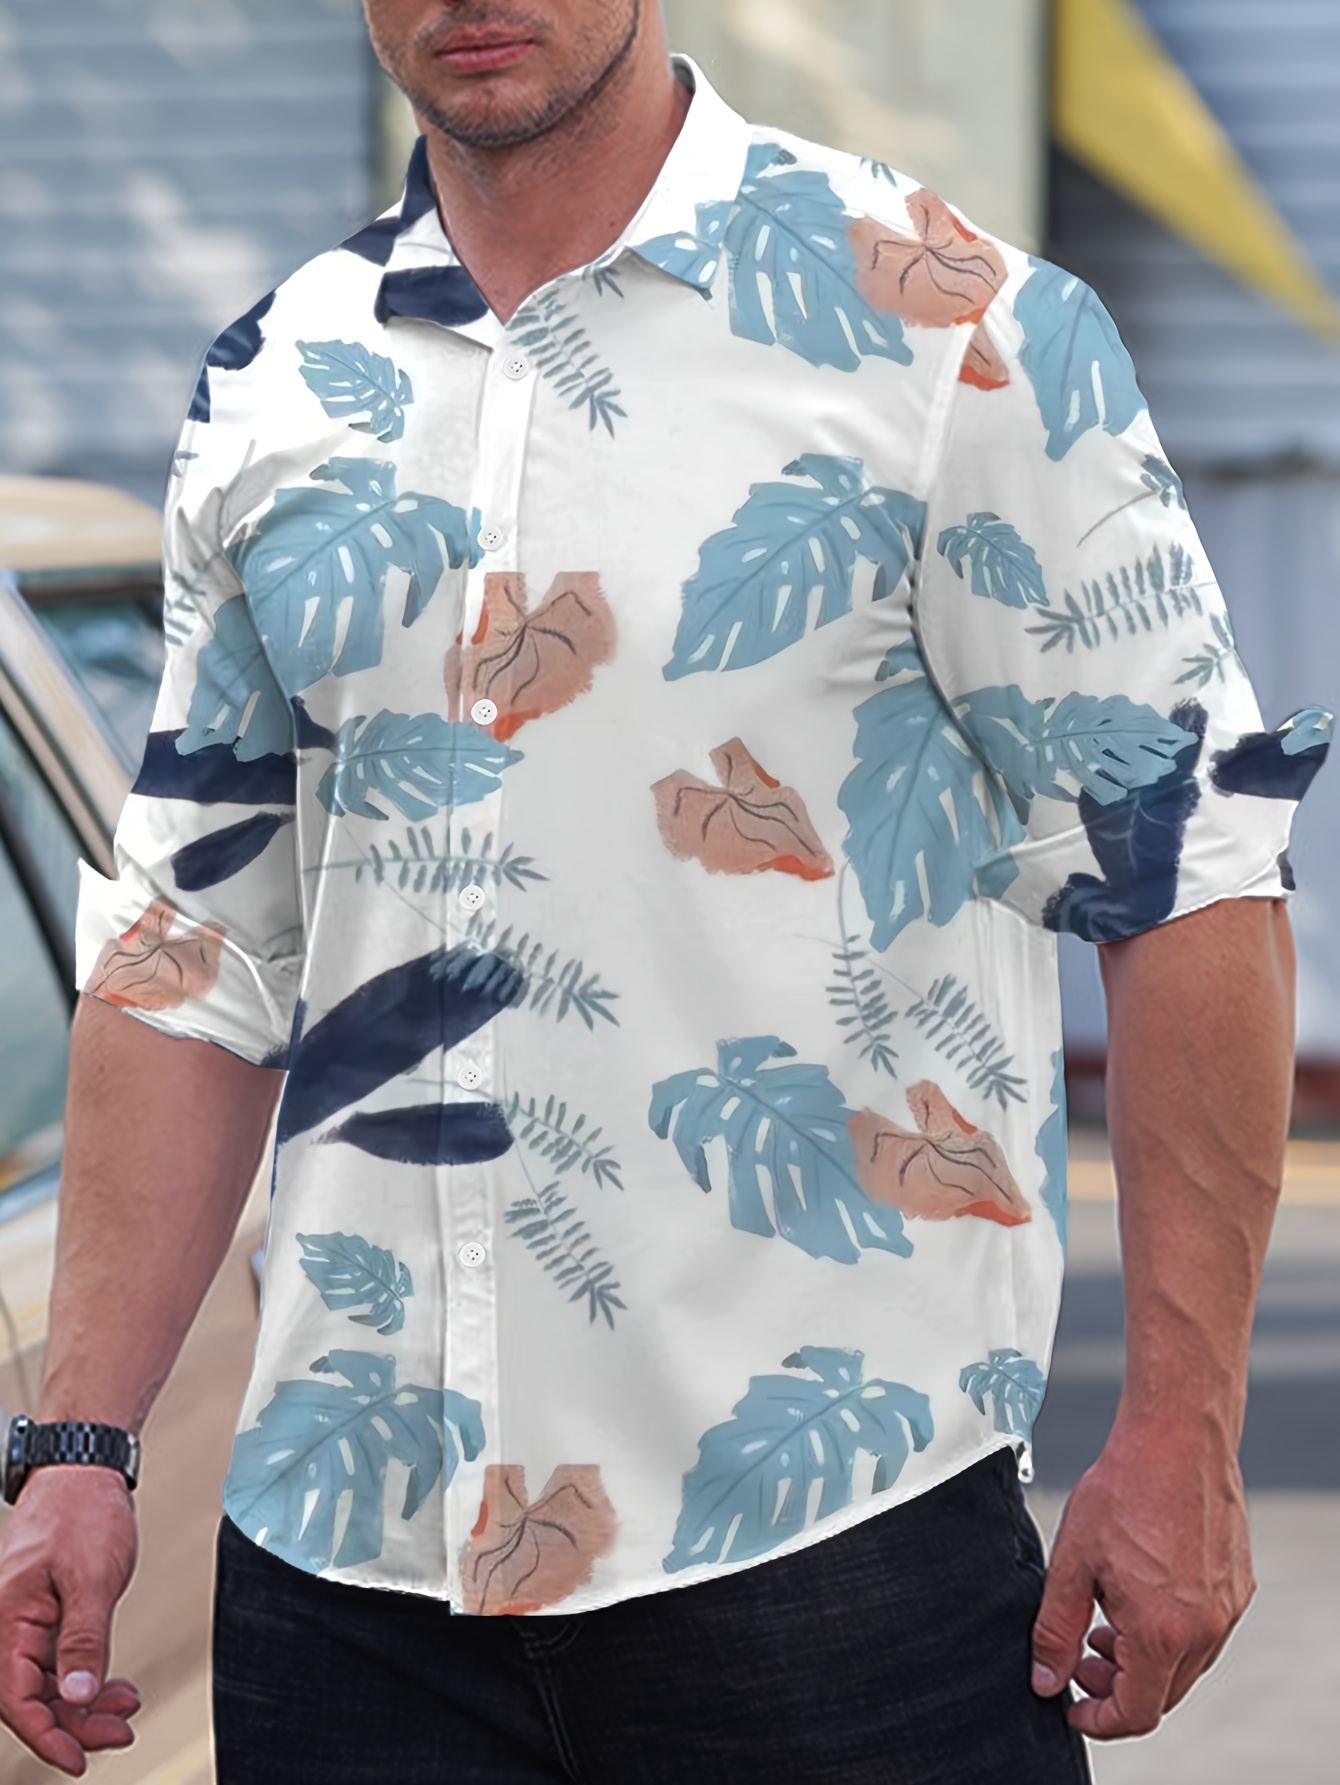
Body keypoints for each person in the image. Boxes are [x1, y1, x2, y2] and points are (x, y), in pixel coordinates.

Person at [0, 1, 1329, 1779]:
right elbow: (197, 948)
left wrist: (1182, 1430)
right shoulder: (279, 378)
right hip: (344, 1581)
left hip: (830, 1572)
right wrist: (79, 1444)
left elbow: (1194, 876)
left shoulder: (949, 324)